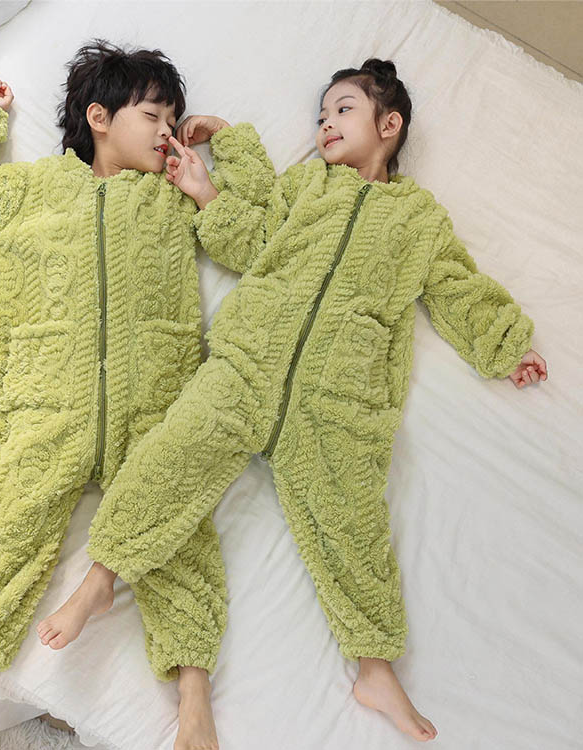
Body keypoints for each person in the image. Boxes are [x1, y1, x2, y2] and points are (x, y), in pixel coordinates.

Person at [72, 58, 548, 744]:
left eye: (342, 110)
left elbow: (456, 285)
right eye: (321, 116)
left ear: (389, 125)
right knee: (173, 454)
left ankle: (375, 668)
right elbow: (253, 240)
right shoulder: (306, 186)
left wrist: (505, 344)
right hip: (250, 360)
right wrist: (210, 183)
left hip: (339, 395)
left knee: (353, 527)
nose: (325, 124)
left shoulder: (418, 219)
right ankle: (103, 572)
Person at [0, 39, 262, 750]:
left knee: (179, 536)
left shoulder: (173, 199)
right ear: (99, 118)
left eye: (174, 120)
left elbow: (255, 242)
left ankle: (194, 694)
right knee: (2, 519)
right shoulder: (33, 191)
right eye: (153, 116)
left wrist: (222, 158)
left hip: (156, 401)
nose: (167, 132)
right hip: (45, 395)